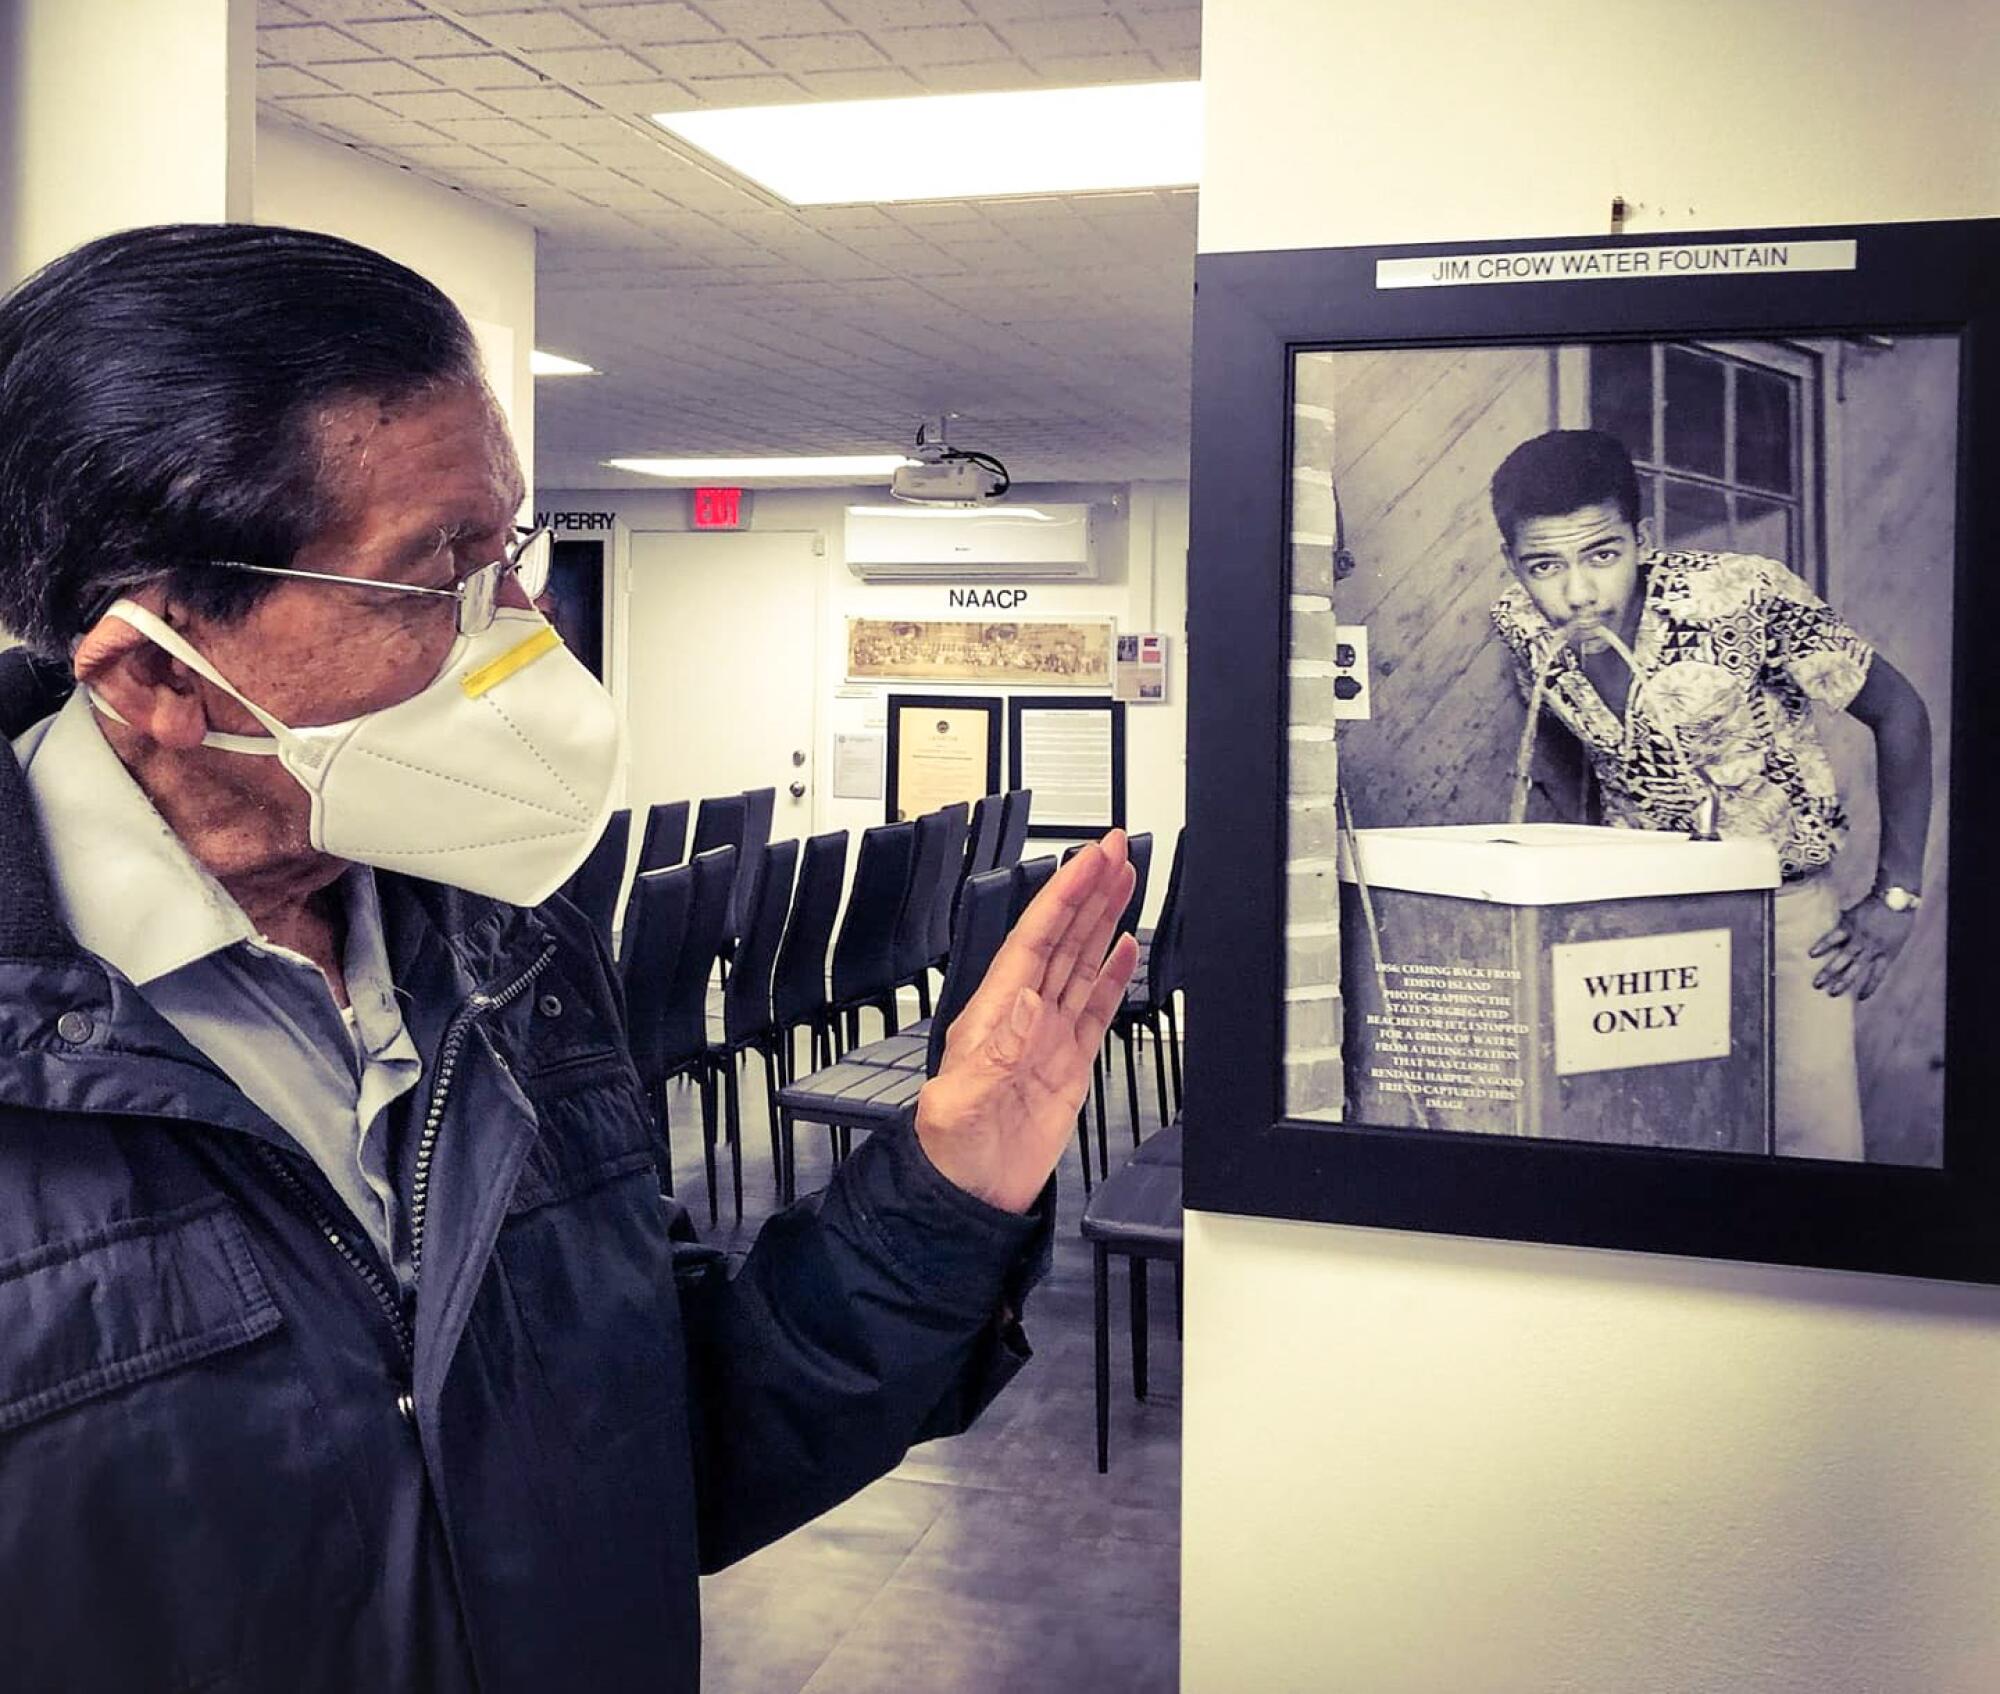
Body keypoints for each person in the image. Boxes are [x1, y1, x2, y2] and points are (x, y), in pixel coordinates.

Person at [0, 224, 1138, 1691]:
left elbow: (658, 1450)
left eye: (509, 551)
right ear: (156, 666)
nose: (527, 634)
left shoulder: (511, 944)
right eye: (438, 580)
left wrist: (940, 1194)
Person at [1485, 428, 1932, 1161]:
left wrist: (1898, 896)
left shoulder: (1743, 594)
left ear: (1643, 537)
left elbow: (1899, 709)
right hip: (1638, 917)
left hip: (1781, 912)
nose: (1577, 593)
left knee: (1812, 1147)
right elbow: (1572, 755)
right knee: (1664, 1142)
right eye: (1545, 565)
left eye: (1603, 554)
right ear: (1513, 563)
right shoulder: (1519, 622)